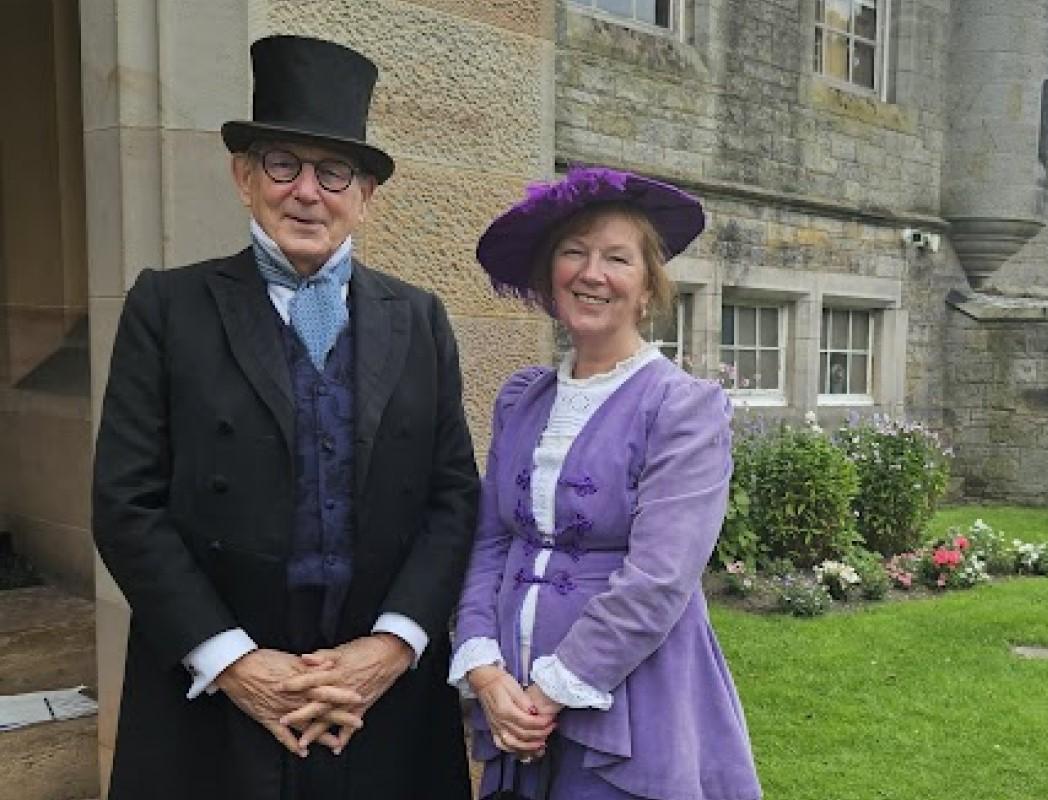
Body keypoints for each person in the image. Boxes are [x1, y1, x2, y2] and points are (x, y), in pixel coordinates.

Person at [92, 35, 478, 800]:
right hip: (213, 695)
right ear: (244, 178)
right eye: (283, 165)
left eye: (334, 172)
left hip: (377, 700)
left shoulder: (422, 318)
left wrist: (392, 647)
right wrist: (234, 663)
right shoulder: (167, 308)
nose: (308, 191)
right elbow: (125, 503)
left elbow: (453, 496)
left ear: (365, 193)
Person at [452, 168, 762, 800]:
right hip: (512, 699)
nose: (592, 273)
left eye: (617, 258)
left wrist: (549, 691)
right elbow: (490, 540)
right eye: (574, 253)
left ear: (648, 290)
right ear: (549, 278)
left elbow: (661, 576)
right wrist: (485, 670)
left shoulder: (681, 407)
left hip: (630, 700)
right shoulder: (522, 399)